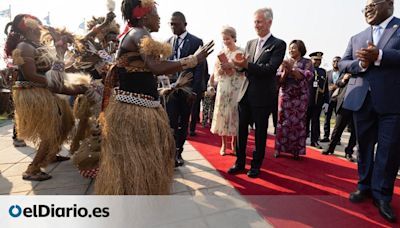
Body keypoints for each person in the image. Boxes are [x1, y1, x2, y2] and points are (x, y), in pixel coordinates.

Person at [95, 0, 213, 195]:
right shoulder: (139, 33)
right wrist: (193, 59)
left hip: (138, 106)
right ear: (143, 15)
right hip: (135, 110)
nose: (160, 19)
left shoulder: (135, 33)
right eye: (156, 14)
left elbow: (151, 68)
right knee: (138, 158)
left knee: (139, 158)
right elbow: (156, 67)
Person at [4, 14, 89, 181]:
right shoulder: (24, 46)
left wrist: (60, 51)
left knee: (65, 124)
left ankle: (51, 155)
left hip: (46, 91)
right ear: (28, 27)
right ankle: (32, 169)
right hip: (33, 93)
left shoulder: (38, 45)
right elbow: (31, 74)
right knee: (49, 131)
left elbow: (57, 70)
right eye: (38, 24)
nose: (42, 27)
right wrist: (57, 85)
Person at [339, 0, 400, 223]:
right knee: (363, 147)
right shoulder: (357, 37)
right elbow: (343, 63)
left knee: (389, 150)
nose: (367, 9)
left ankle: (382, 195)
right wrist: (361, 65)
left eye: (373, 4)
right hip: (361, 100)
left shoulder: (399, 28)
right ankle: (363, 186)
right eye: (365, 6)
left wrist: (381, 55)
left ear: (390, 4)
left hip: (392, 103)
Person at [228, 7, 286, 178]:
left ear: (269, 22)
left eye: (259, 22)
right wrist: (236, 66)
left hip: (262, 96)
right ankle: (239, 162)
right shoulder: (250, 43)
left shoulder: (278, 44)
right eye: (254, 22)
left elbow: (269, 70)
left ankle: (255, 165)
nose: (256, 25)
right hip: (245, 93)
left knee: (260, 132)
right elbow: (245, 68)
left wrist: (246, 66)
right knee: (241, 131)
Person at [166, 11, 207, 167]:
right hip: (170, 91)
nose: (172, 26)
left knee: (183, 122)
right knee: (171, 122)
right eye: (170, 23)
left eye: (175, 23)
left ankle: (178, 152)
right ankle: (170, 152)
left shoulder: (196, 42)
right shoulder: (167, 41)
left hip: (187, 91)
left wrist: (195, 91)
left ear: (185, 24)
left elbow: (199, 69)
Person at [274, 40, 313, 160]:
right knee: (282, 121)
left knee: (298, 123)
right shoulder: (285, 61)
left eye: (294, 48)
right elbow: (279, 79)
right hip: (285, 95)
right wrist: (285, 73)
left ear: (300, 49)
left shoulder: (307, 62)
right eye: (290, 48)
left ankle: (296, 150)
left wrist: (292, 70)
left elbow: (307, 75)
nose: (291, 50)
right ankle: (279, 149)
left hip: (300, 97)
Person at [210, 26, 245, 156]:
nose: (226, 41)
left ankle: (234, 143)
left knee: (235, 114)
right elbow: (216, 72)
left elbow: (244, 71)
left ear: (234, 37)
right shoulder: (221, 53)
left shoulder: (241, 52)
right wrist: (220, 70)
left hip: (236, 87)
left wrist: (233, 67)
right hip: (223, 87)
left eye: (228, 38)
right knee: (223, 114)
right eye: (224, 39)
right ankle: (224, 144)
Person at [321, 73, 356, 162]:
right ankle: (330, 148)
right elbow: (338, 83)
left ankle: (349, 152)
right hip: (344, 104)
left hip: (358, 105)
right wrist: (344, 79)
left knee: (354, 131)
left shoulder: (366, 73)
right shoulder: (347, 71)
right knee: (338, 128)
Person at [306, 51, 329, 149]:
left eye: (319, 60)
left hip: (318, 101)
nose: (317, 62)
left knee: (315, 121)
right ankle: (302, 138)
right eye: (315, 59)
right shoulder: (306, 70)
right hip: (307, 100)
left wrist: (326, 101)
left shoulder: (322, 71)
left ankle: (314, 140)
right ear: (311, 60)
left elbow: (326, 87)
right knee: (305, 121)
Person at [321, 56, 342, 143]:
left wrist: (337, 86)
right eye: (334, 61)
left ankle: (337, 139)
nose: (335, 63)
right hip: (329, 99)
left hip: (339, 100)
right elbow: (324, 88)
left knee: (339, 121)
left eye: (337, 61)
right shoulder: (328, 73)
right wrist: (324, 101)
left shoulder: (344, 73)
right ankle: (326, 136)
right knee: (327, 119)